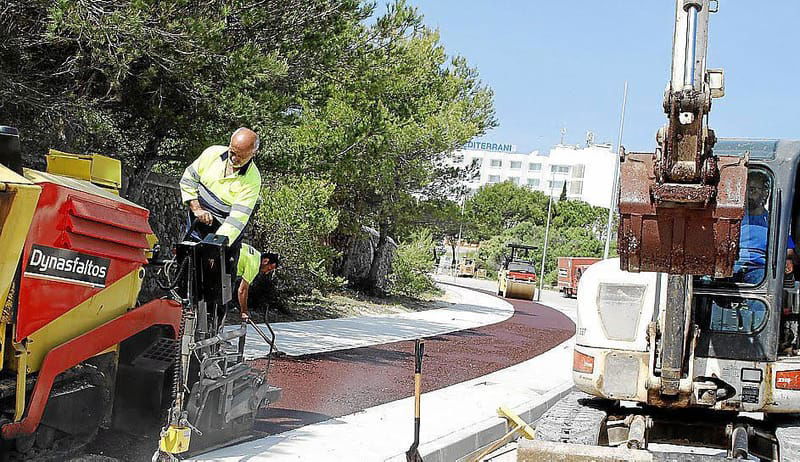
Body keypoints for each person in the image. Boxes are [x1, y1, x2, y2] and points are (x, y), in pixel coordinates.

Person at [179, 127, 262, 251]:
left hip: (225, 231)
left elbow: (237, 219)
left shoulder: (253, 180)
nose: (234, 158)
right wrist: (196, 208)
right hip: (196, 221)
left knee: (218, 267)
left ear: (253, 153)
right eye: (232, 152)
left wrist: (215, 245)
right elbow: (188, 180)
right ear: (229, 144)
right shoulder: (212, 153)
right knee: (185, 261)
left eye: (241, 156)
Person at [733, 171, 795, 284]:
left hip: (760, 271)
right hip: (732, 266)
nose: (748, 194)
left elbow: (789, 250)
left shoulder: (776, 221)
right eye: (746, 189)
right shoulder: (732, 219)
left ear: (765, 193)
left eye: (753, 189)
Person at [236, 243, 279, 321]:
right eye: (269, 269)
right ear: (265, 261)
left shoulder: (255, 254)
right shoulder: (254, 265)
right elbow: (242, 290)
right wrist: (244, 311)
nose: (266, 273)